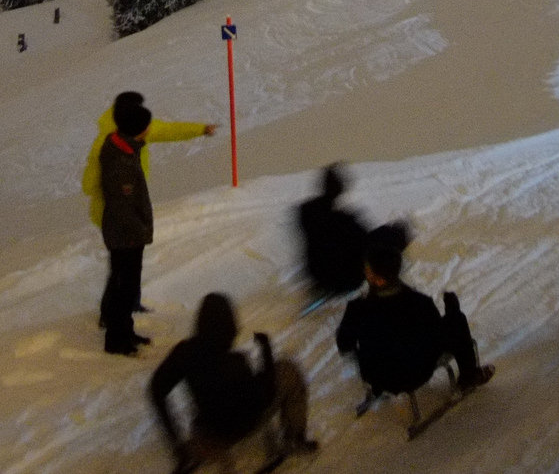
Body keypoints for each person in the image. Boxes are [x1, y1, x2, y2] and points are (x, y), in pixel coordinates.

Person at [150, 293, 315, 472]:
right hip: (240, 428)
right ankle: (295, 438)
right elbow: (264, 397)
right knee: (287, 369)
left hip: (207, 429)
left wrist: (176, 442)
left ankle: (206, 449)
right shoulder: (235, 363)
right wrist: (266, 353)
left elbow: (156, 389)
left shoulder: (184, 353)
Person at [336, 240, 492, 401]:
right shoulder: (418, 302)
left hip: (381, 379)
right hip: (418, 373)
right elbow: (437, 336)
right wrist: (452, 311)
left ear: (377, 278)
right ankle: (468, 376)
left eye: (368, 269)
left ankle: (378, 387)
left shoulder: (357, 309)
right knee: (456, 320)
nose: (365, 271)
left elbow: (344, 344)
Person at [84, 92, 215, 230]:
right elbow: (89, 183)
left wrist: (200, 129)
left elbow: (168, 130)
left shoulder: (140, 127)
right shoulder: (105, 146)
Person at [100, 102, 155, 354]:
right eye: (145, 127)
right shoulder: (121, 160)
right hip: (125, 236)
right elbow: (123, 206)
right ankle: (116, 340)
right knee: (125, 289)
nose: (148, 130)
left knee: (127, 287)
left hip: (127, 235)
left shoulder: (125, 149)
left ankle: (126, 332)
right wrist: (138, 232)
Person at [298, 164, 371, 299]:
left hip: (315, 276)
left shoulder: (306, 211)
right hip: (343, 282)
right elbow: (365, 241)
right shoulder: (343, 220)